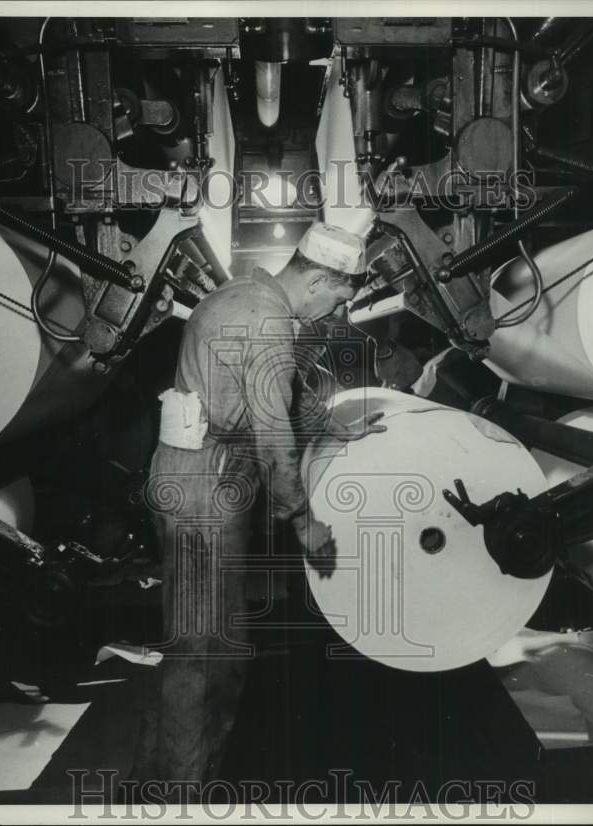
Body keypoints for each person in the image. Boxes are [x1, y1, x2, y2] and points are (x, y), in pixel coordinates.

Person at [130, 222, 386, 799]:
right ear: (319, 279)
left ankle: (168, 769)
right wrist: (303, 520)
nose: (333, 313)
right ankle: (180, 794)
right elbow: (272, 434)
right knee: (200, 650)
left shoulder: (239, 294)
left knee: (215, 641)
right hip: (202, 487)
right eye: (339, 298)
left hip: (203, 477)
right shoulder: (267, 319)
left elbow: (278, 398)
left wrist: (336, 426)